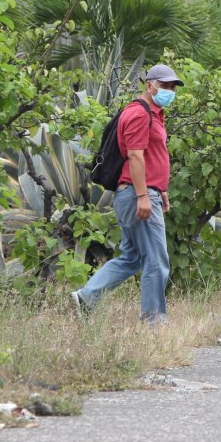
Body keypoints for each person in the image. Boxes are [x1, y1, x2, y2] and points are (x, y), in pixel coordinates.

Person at [72, 63, 183, 324]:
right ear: (149, 85)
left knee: (132, 258)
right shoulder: (139, 114)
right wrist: (144, 196)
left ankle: (87, 297)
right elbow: (134, 157)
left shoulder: (153, 113)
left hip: (142, 192)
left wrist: (160, 190)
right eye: (165, 86)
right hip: (137, 195)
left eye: (172, 87)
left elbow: (152, 156)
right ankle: (154, 324)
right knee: (156, 261)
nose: (169, 91)